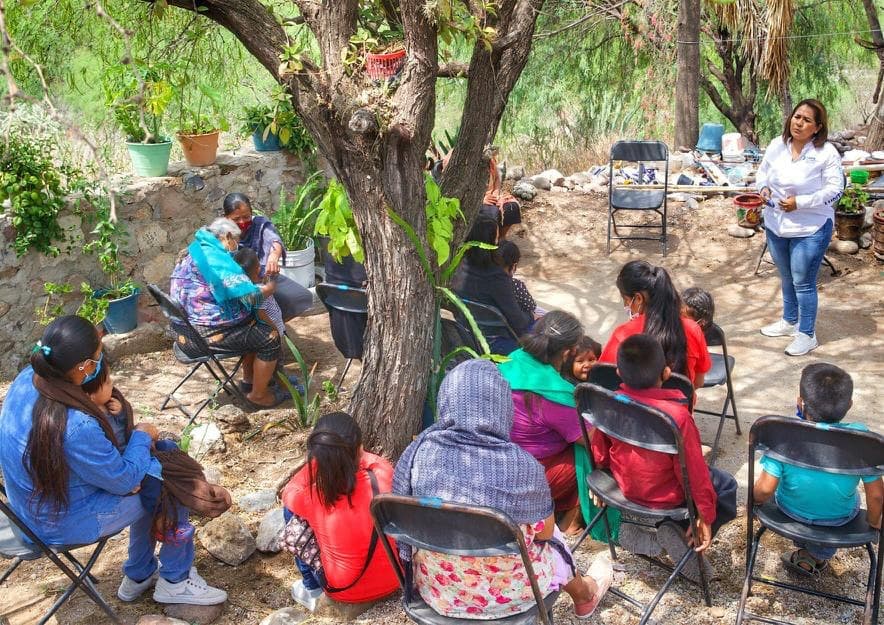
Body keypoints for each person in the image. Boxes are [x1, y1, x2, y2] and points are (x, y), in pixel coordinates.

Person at [0, 316, 228, 605]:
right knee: (168, 481)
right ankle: (175, 580)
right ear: (84, 368)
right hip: (58, 522)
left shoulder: (28, 379)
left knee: (155, 468)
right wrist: (144, 435)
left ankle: (139, 573)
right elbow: (125, 481)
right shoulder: (76, 425)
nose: (102, 359)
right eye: (99, 355)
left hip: (29, 505)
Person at [393, 359, 612, 620]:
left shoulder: (417, 454)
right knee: (550, 537)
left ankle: (584, 591)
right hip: (513, 596)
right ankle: (585, 593)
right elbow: (545, 535)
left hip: (439, 592)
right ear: (501, 406)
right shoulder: (522, 466)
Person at [591, 334, 737, 581]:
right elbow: (693, 473)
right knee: (726, 485)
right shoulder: (676, 417)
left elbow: (599, 451)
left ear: (618, 372)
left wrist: (599, 479)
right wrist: (704, 515)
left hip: (624, 488)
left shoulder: (609, 404)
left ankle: (649, 535)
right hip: (667, 497)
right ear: (666, 373)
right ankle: (682, 533)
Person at [752, 363, 883, 577]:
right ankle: (817, 554)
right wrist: (874, 521)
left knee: (791, 493)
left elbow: (765, 490)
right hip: (839, 519)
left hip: (788, 512)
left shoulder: (783, 433)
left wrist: (754, 502)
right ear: (849, 404)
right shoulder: (863, 439)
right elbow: (876, 495)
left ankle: (807, 550)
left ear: (800, 403)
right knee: (847, 501)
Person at [281, 412, 399, 609]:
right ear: (359, 448)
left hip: (345, 592)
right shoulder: (383, 473)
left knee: (290, 512)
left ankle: (312, 589)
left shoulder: (311, 496)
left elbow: (288, 493)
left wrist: (319, 463)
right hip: (395, 580)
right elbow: (371, 458)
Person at [756, 99, 844, 356]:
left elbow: (835, 189)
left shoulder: (825, 153)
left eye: (807, 120)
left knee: (803, 282)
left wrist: (801, 203)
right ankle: (789, 320)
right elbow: (762, 172)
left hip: (811, 227)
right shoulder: (777, 145)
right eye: (797, 117)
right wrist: (762, 188)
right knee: (785, 276)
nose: (799, 123)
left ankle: (807, 334)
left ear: (817, 128)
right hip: (776, 224)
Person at [170, 218, 286, 408]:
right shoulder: (215, 259)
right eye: (236, 242)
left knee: (252, 322)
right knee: (270, 337)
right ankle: (258, 395)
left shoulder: (197, 248)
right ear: (229, 237)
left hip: (183, 330)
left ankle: (249, 380)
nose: (236, 247)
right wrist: (270, 287)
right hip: (202, 336)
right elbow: (249, 296)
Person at [498, 311, 586, 533]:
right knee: (589, 454)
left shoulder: (510, 360)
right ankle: (571, 523)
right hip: (526, 478)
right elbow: (591, 441)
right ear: (568, 353)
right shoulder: (553, 393)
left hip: (495, 466)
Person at [599, 260, 711, 389]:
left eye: (626, 300)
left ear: (639, 298)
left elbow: (603, 377)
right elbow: (698, 382)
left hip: (631, 407)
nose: (626, 306)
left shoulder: (623, 334)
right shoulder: (693, 329)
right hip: (679, 407)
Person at [223, 192, 314, 321]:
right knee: (250, 310)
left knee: (302, 297)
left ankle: (275, 323)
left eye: (246, 217)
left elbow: (274, 241)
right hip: (238, 286)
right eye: (236, 219)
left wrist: (273, 257)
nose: (242, 222)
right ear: (226, 218)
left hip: (263, 275)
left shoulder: (260, 224)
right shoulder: (222, 235)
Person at [451, 217, 533, 354]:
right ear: (489, 243)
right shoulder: (496, 277)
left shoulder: (457, 265)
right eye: (496, 238)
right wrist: (531, 316)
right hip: (497, 342)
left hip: (467, 335)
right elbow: (519, 323)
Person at [235, 247, 286, 339]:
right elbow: (261, 314)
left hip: (271, 325)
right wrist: (274, 328)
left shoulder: (248, 288)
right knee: (274, 349)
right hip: (271, 327)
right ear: (258, 268)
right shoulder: (260, 292)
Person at [481, 154, 522, 239]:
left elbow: (497, 179)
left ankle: (500, 238)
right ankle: (490, 242)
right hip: (477, 201)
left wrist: (496, 192)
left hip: (492, 195)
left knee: (511, 207)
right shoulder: (461, 157)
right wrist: (481, 200)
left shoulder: (488, 156)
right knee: (491, 213)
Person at [498, 240, 541, 318]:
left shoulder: (482, 281)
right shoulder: (516, 285)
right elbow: (531, 306)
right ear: (514, 265)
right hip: (517, 324)